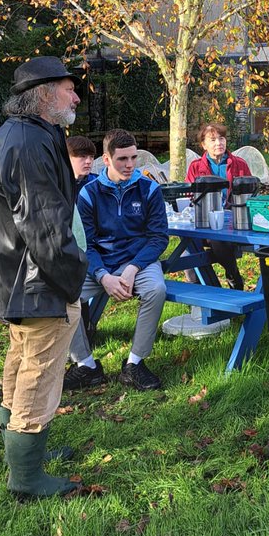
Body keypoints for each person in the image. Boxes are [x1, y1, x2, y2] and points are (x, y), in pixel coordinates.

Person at [0, 56, 88, 497]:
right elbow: (43, 224)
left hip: (17, 275)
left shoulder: (25, 135)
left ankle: (22, 445)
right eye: (67, 87)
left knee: (22, 359)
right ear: (42, 95)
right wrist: (73, 275)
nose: (75, 96)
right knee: (39, 370)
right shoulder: (27, 143)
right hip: (38, 279)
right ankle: (26, 476)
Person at [65, 129, 168, 392]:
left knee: (156, 289)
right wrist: (102, 275)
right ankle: (85, 365)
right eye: (122, 159)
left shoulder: (149, 189)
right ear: (107, 159)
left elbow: (158, 238)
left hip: (138, 260)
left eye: (134, 158)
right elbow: (83, 243)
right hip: (100, 263)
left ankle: (134, 364)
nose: (130, 165)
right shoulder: (88, 194)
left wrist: (134, 268)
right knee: (62, 294)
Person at [186, 121, 251, 288]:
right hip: (203, 219)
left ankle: (232, 276)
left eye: (221, 138)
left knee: (217, 238)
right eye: (213, 140)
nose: (218, 143)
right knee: (187, 245)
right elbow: (189, 196)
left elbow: (251, 192)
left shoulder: (239, 164)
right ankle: (203, 287)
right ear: (203, 145)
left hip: (235, 219)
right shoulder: (195, 167)